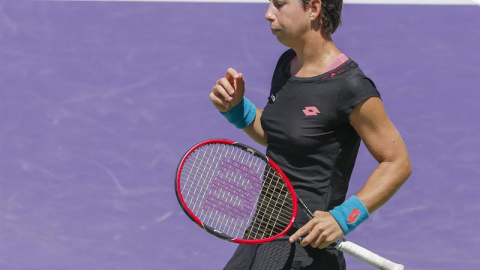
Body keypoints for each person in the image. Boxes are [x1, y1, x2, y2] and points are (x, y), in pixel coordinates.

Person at [209, 0, 412, 269]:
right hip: (262, 233)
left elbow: (397, 162)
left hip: (305, 248)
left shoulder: (351, 87)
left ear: (313, 8)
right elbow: (280, 138)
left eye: (280, 4)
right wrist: (238, 110)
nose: (268, 14)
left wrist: (343, 218)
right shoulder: (287, 65)